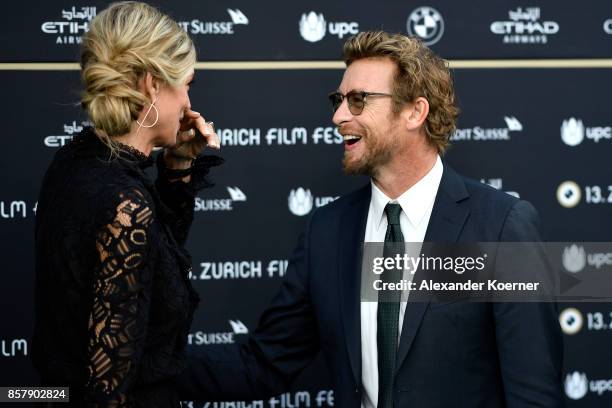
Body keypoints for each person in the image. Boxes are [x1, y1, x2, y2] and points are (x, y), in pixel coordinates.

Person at [178, 31, 564, 407]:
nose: (338, 116)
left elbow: (533, 394)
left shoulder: (501, 227)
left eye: (359, 100)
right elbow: (262, 367)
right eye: (338, 100)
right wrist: (137, 365)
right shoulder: (327, 232)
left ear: (415, 111)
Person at [31, 2, 221, 406]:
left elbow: (152, 258)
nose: (189, 103)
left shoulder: (74, 161)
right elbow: (107, 391)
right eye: (187, 84)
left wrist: (180, 163)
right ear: (152, 84)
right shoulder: (125, 202)